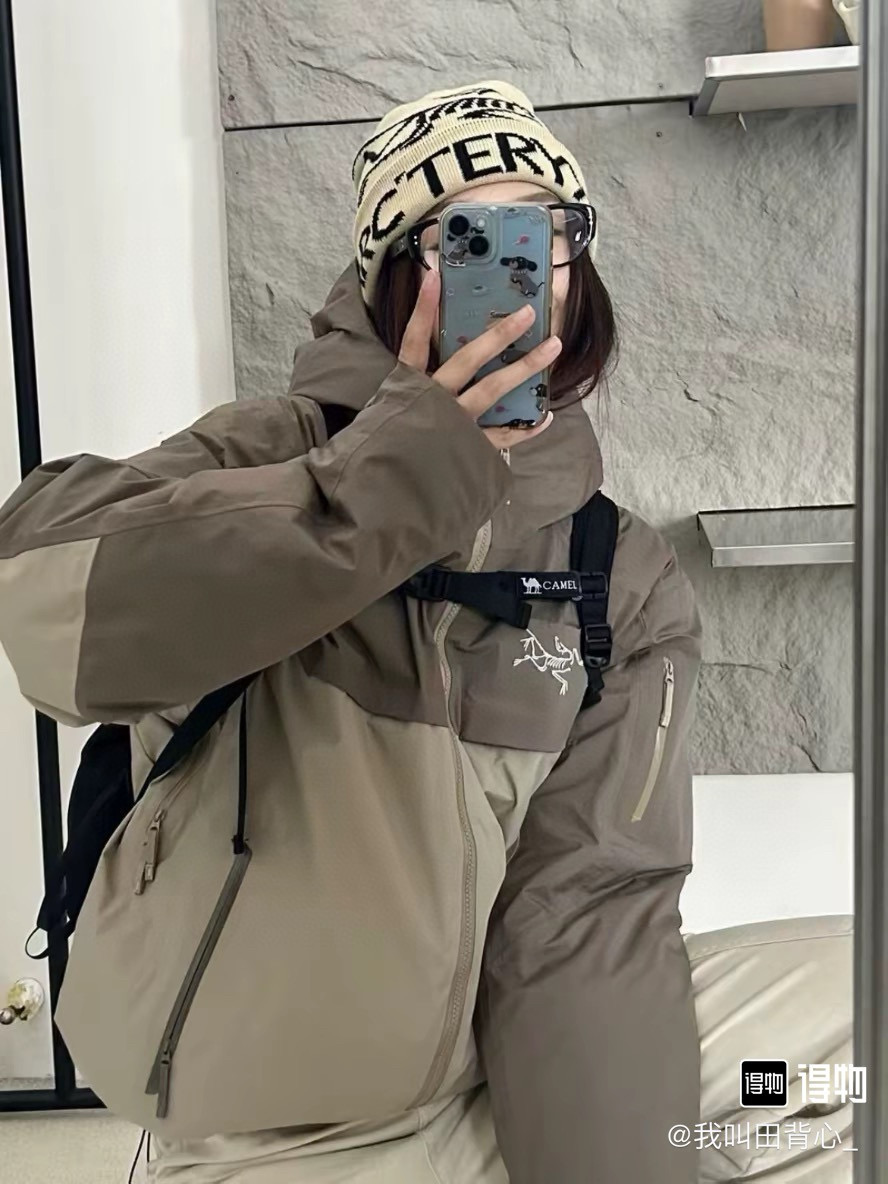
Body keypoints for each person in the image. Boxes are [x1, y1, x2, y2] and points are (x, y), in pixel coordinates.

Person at [0, 80, 853, 1183]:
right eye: (463, 239)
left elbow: (581, 920)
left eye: (545, 233)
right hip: (275, 1132)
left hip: (480, 1077)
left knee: (852, 1046)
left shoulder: (616, 573)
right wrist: (395, 480)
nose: (514, 273)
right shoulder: (269, 457)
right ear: (393, 278)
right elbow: (42, 603)